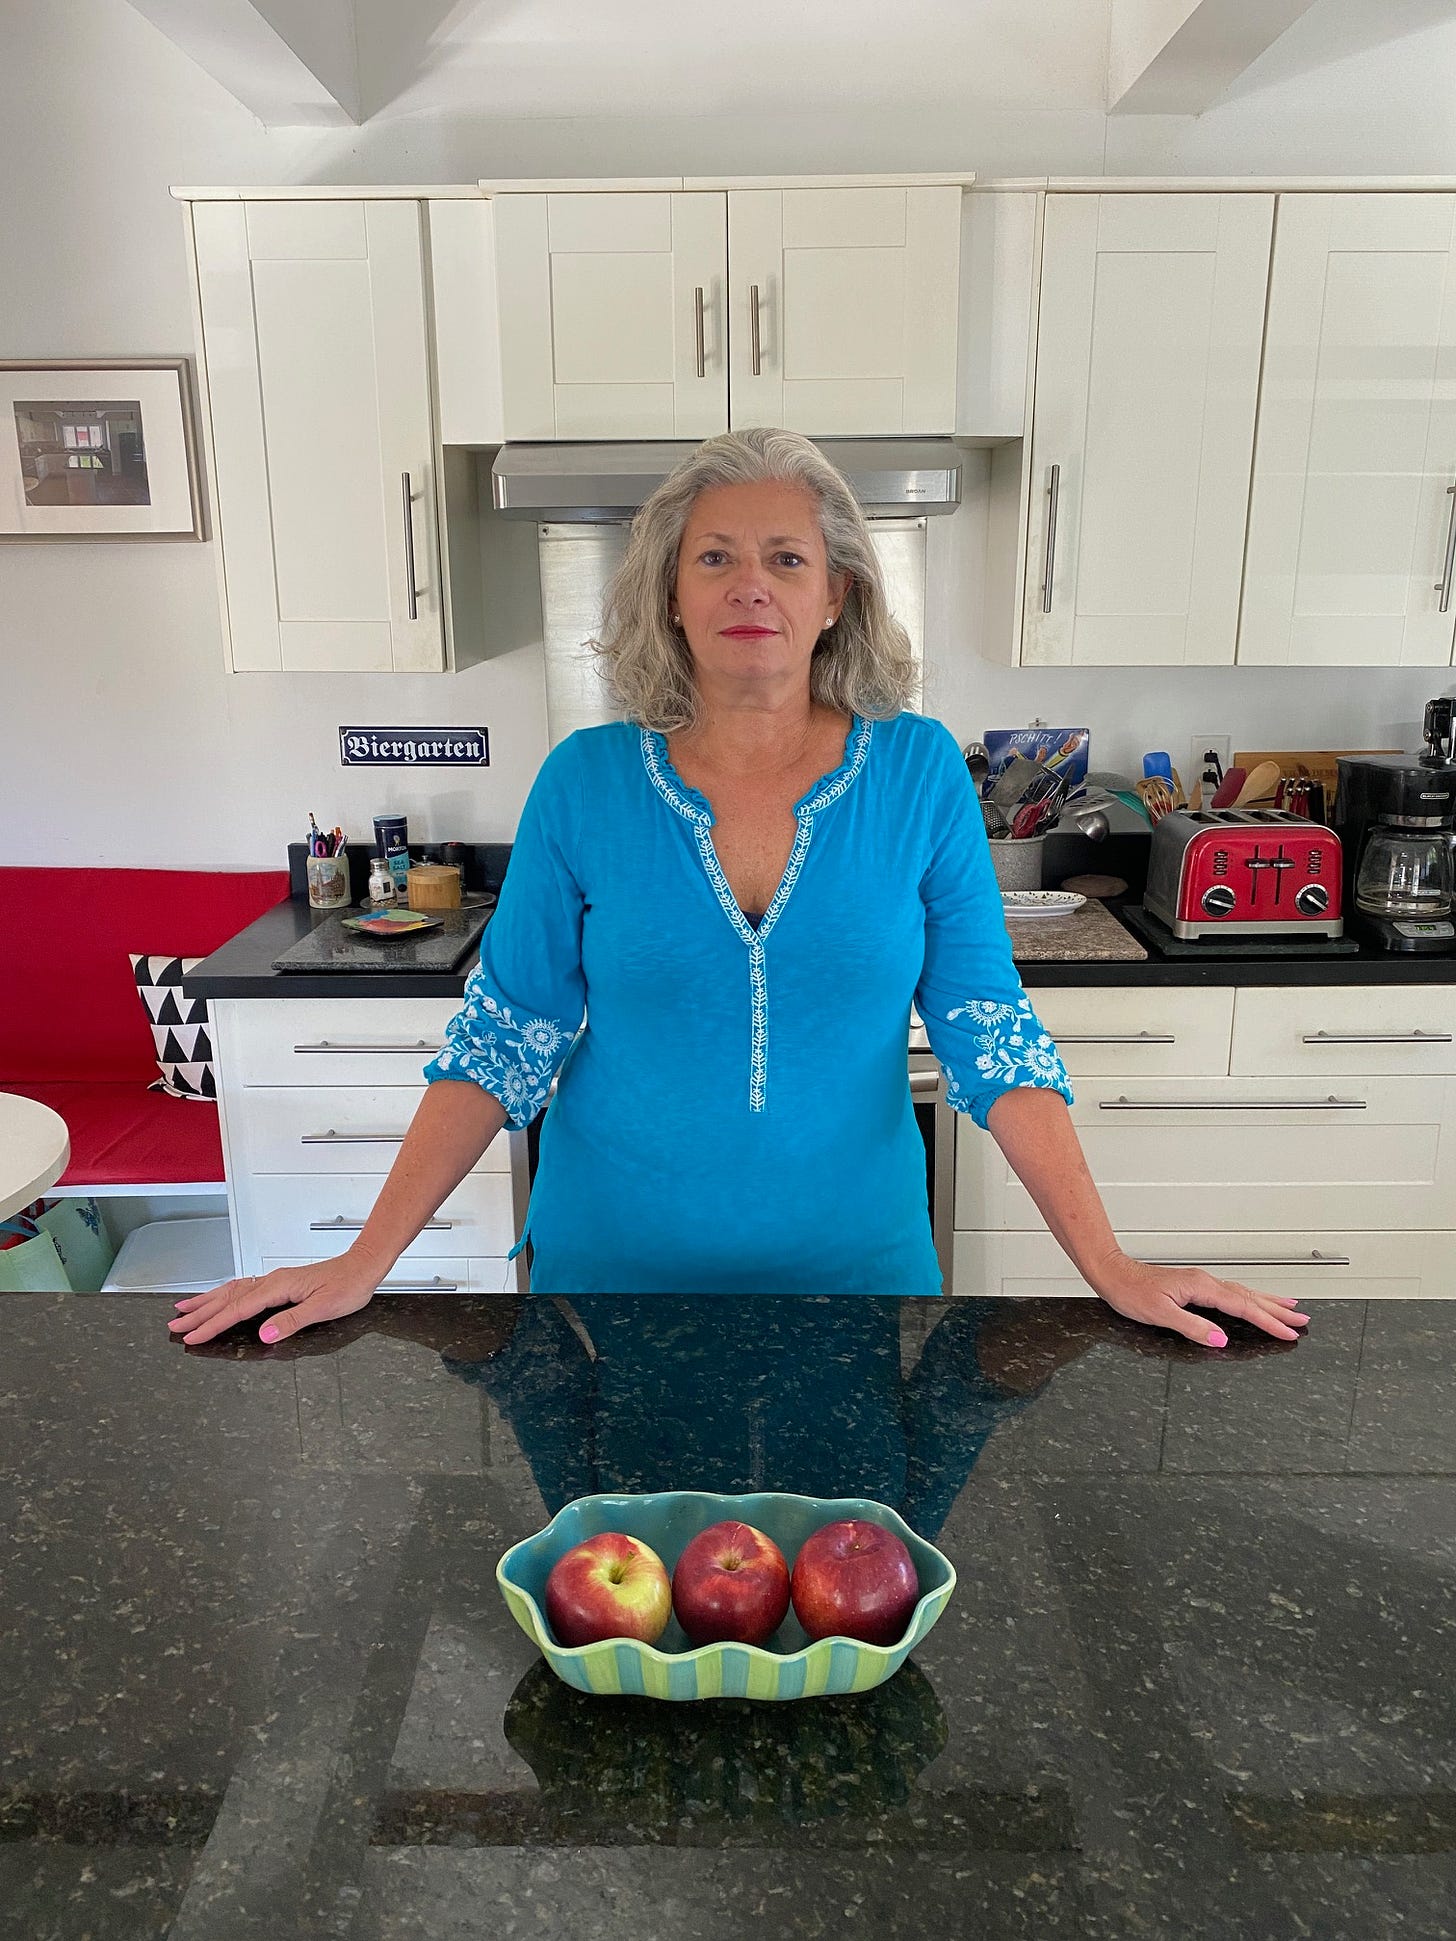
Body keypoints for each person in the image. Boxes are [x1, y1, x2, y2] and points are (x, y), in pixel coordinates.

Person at [169, 430, 1309, 1347]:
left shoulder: (915, 772)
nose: (748, 585)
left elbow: (987, 1030)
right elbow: (503, 1039)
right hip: (605, 1293)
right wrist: (365, 1262)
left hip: (859, 1287)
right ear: (669, 595)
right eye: (713, 556)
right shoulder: (584, 783)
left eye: (785, 558)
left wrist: (1108, 1268)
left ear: (836, 597)